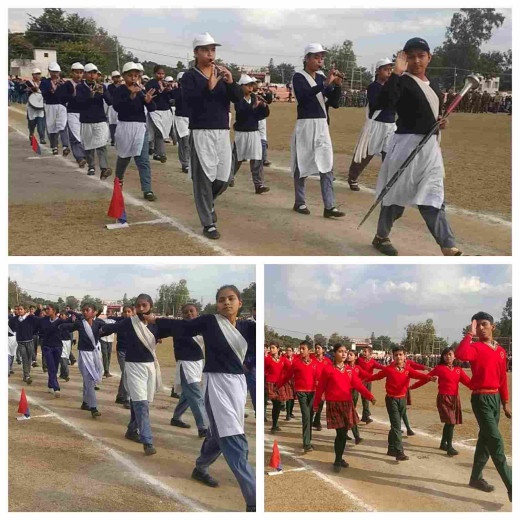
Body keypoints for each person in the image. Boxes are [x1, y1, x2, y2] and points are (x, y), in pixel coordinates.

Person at [146, 285, 256, 512]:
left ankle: (200, 467)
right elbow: (181, 327)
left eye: (231, 298)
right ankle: (254, 502)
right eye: (222, 299)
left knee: (220, 432)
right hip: (216, 384)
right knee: (234, 439)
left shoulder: (248, 327)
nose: (227, 302)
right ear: (217, 304)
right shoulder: (209, 322)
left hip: (238, 386)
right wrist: (155, 322)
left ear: (240, 303)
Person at [371, 38, 462, 256]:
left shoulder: (434, 84)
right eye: (410, 56)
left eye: (421, 56)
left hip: (430, 148)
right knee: (395, 197)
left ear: (429, 58)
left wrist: (441, 122)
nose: (416, 61)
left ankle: (447, 246)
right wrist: (396, 74)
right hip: (406, 146)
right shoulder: (401, 81)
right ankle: (381, 236)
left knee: (433, 196)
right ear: (404, 59)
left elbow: (432, 114)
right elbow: (385, 103)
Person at [181, 33, 243, 239]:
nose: (210, 53)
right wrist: (209, 87)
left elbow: (238, 99)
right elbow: (190, 102)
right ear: (196, 53)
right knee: (203, 178)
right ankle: (208, 223)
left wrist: (231, 82)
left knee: (224, 177)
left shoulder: (221, 73)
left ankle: (207, 203)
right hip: (201, 131)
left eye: (213, 50)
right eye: (206, 50)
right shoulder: (190, 76)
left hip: (222, 130)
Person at [455, 313, 512, 502]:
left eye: (484, 324)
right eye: (477, 325)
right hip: (481, 399)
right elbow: (461, 355)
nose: (480, 328)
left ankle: (475, 478)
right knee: (495, 440)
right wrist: (469, 335)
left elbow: (503, 378)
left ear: (493, 327)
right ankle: (512, 486)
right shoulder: (475, 347)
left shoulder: (501, 351)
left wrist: (505, 402)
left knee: (485, 440)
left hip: (495, 398)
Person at [99, 295, 162, 455]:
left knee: (140, 400)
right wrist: (97, 330)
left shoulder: (156, 324)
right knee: (142, 403)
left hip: (149, 367)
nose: (141, 308)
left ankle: (132, 430)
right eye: (138, 306)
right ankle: (147, 441)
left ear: (150, 306)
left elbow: (173, 330)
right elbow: (111, 328)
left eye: (144, 305)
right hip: (133, 366)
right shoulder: (129, 322)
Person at [291, 43, 344, 218]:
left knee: (326, 163)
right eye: (316, 57)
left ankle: (329, 206)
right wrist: (326, 83)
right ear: (306, 59)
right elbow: (304, 97)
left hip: (322, 125)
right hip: (306, 124)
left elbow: (334, 103)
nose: (320, 60)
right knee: (302, 162)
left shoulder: (321, 78)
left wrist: (337, 85)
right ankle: (299, 201)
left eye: (321, 57)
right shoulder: (298, 77)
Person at [365, 346, 435, 461]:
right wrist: (365, 380)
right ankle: (399, 452)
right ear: (393, 356)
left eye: (400, 354)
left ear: (405, 356)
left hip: (402, 399)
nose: (398, 357)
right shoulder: (389, 369)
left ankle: (391, 448)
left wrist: (429, 378)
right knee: (397, 426)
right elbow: (377, 376)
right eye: (396, 355)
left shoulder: (407, 369)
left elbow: (418, 375)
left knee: (395, 426)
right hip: (391, 400)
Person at [314, 343, 375, 471]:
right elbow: (320, 388)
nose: (343, 354)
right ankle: (337, 461)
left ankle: (339, 458)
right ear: (334, 353)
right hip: (334, 405)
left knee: (343, 433)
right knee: (341, 433)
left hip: (347, 404)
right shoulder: (328, 369)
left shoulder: (350, 370)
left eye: (345, 352)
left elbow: (358, 385)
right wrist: (315, 405)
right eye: (340, 351)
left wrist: (370, 396)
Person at [410, 346, 472, 456]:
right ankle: (449, 447)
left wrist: (481, 386)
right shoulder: (439, 368)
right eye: (445, 354)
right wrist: (413, 386)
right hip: (444, 398)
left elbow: (469, 383)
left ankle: (443, 443)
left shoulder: (459, 370)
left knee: (450, 423)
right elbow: (426, 378)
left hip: (455, 398)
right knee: (451, 422)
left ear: (454, 356)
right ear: (442, 357)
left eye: (450, 354)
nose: (448, 356)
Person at [348, 58, 396, 190]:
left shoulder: (392, 87)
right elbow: (376, 105)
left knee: (390, 154)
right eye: (385, 69)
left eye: (390, 69)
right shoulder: (373, 87)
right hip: (376, 124)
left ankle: (389, 181)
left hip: (390, 124)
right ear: (378, 71)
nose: (389, 72)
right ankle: (353, 177)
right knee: (365, 153)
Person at [112, 62, 157, 201]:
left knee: (143, 160)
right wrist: (131, 96)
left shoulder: (141, 90)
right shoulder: (120, 90)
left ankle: (147, 189)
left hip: (140, 128)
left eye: (136, 76)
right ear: (124, 76)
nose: (133, 78)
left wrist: (149, 101)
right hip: (125, 127)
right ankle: (118, 180)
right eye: (130, 75)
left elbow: (152, 108)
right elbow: (118, 107)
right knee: (124, 158)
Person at [169, 303, 208, 438]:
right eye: (186, 312)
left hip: (197, 364)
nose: (189, 314)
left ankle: (176, 417)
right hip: (186, 365)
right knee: (196, 395)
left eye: (192, 311)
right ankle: (203, 427)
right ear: (182, 315)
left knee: (187, 394)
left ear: (197, 312)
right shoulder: (179, 328)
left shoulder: (202, 327)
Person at [58, 304, 105, 418]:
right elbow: (68, 326)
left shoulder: (99, 323)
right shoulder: (80, 323)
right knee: (89, 379)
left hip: (95, 354)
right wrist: (58, 325)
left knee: (88, 380)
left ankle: (85, 402)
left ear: (93, 312)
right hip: (84, 355)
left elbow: (108, 329)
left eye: (87, 310)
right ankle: (93, 407)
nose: (84, 312)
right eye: (83, 311)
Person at [230, 75, 270, 194]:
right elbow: (242, 112)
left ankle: (259, 184)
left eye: (251, 85)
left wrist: (263, 107)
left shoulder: (255, 98)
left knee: (257, 158)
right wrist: (254, 106)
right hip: (242, 132)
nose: (250, 87)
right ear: (241, 86)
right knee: (237, 158)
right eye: (247, 85)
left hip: (253, 131)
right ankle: (229, 177)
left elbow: (262, 115)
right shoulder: (238, 99)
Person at [278, 340, 318, 453]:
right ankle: (306, 444)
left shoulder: (315, 363)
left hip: (313, 392)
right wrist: (279, 385)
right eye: (300, 348)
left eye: (303, 349)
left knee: (310, 416)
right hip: (301, 393)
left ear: (309, 350)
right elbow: (287, 376)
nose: (300, 351)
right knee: (306, 416)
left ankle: (308, 440)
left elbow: (321, 377)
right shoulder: (296, 363)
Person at [76, 63, 112, 178]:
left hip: (100, 119)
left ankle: (104, 168)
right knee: (89, 145)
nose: (92, 76)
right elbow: (79, 103)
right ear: (85, 74)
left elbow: (110, 101)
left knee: (101, 144)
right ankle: (91, 166)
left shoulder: (102, 86)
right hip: (86, 120)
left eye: (94, 73)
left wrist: (104, 93)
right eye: (90, 73)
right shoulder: (80, 87)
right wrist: (90, 96)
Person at [58, 62, 88, 168]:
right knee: (74, 136)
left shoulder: (86, 84)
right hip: (72, 112)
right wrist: (73, 95)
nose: (79, 75)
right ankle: (80, 158)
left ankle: (86, 155)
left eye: (81, 73)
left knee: (84, 136)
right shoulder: (67, 85)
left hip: (85, 113)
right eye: (77, 73)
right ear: (72, 73)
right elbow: (62, 98)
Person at [40, 61, 70, 156]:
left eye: (57, 72)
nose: (55, 74)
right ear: (49, 71)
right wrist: (53, 87)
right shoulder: (45, 82)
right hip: (50, 106)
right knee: (52, 127)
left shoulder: (63, 82)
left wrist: (62, 85)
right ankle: (54, 146)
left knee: (62, 125)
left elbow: (67, 94)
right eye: (53, 71)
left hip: (61, 106)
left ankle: (65, 146)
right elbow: (44, 92)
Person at [146, 65, 174, 163]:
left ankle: (158, 153)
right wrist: (160, 90)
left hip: (165, 110)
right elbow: (150, 96)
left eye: (162, 74)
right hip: (155, 110)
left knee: (161, 133)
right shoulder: (151, 83)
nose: (161, 76)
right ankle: (158, 153)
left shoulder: (166, 84)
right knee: (156, 132)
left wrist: (169, 89)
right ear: (155, 73)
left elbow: (171, 97)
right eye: (159, 73)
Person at [8, 304, 41, 384]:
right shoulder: (15, 319)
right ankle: (27, 375)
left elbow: (39, 323)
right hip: (20, 342)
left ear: (25, 310)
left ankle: (27, 375)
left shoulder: (30, 317)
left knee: (29, 359)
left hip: (29, 341)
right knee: (24, 358)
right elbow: (11, 325)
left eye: (21, 309)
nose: (19, 311)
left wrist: (33, 332)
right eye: (18, 309)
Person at [264, 342, 290, 433]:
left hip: (280, 384)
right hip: (270, 384)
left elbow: (290, 368)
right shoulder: (267, 359)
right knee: (275, 403)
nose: (271, 349)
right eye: (270, 348)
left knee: (278, 405)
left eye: (273, 347)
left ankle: (274, 424)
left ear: (278, 349)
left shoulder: (283, 360)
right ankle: (274, 425)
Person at [356, 345, 385, 423]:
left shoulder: (372, 361)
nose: (364, 353)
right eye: (363, 351)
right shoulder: (359, 360)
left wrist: (389, 368)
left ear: (370, 353)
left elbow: (379, 366)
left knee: (366, 399)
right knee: (354, 399)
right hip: (358, 382)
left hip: (368, 382)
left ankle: (365, 416)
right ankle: (353, 415)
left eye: (366, 351)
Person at [114, 305, 133, 409]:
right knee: (126, 373)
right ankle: (127, 399)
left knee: (125, 373)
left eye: (129, 311)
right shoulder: (120, 323)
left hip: (131, 351)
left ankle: (120, 396)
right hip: (121, 351)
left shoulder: (135, 323)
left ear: (133, 313)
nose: (127, 313)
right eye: (125, 312)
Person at [172, 72, 190, 172]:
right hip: (180, 119)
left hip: (190, 119)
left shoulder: (192, 91)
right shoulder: (177, 92)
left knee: (190, 142)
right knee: (184, 142)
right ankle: (185, 163)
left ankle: (190, 162)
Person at [311, 343, 332, 431]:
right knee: (313, 405)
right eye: (316, 348)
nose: (317, 350)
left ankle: (317, 421)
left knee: (320, 404)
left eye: (319, 348)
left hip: (323, 386)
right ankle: (311, 421)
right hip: (313, 386)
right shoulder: (312, 360)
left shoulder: (328, 361)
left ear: (323, 350)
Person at [25, 68, 46, 145]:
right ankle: (31, 135)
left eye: (39, 74)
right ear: (33, 75)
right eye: (36, 74)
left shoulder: (43, 83)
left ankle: (42, 138)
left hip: (40, 107)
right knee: (32, 124)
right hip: (31, 107)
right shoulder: (28, 82)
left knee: (41, 123)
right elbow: (26, 89)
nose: (38, 75)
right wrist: (32, 89)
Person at [99, 308, 115, 377]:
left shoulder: (114, 321)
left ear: (112, 313)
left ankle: (106, 370)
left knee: (109, 355)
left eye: (109, 312)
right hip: (103, 339)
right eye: (107, 312)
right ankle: (106, 370)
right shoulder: (103, 320)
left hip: (110, 339)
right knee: (104, 354)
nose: (108, 313)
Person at [107, 70, 122, 146]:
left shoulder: (122, 86)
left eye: (118, 77)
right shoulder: (110, 87)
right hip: (112, 106)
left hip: (121, 106)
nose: (117, 78)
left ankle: (119, 139)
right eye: (115, 77)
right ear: (112, 78)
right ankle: (113, 139)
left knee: (120, 122)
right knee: (112, 123)